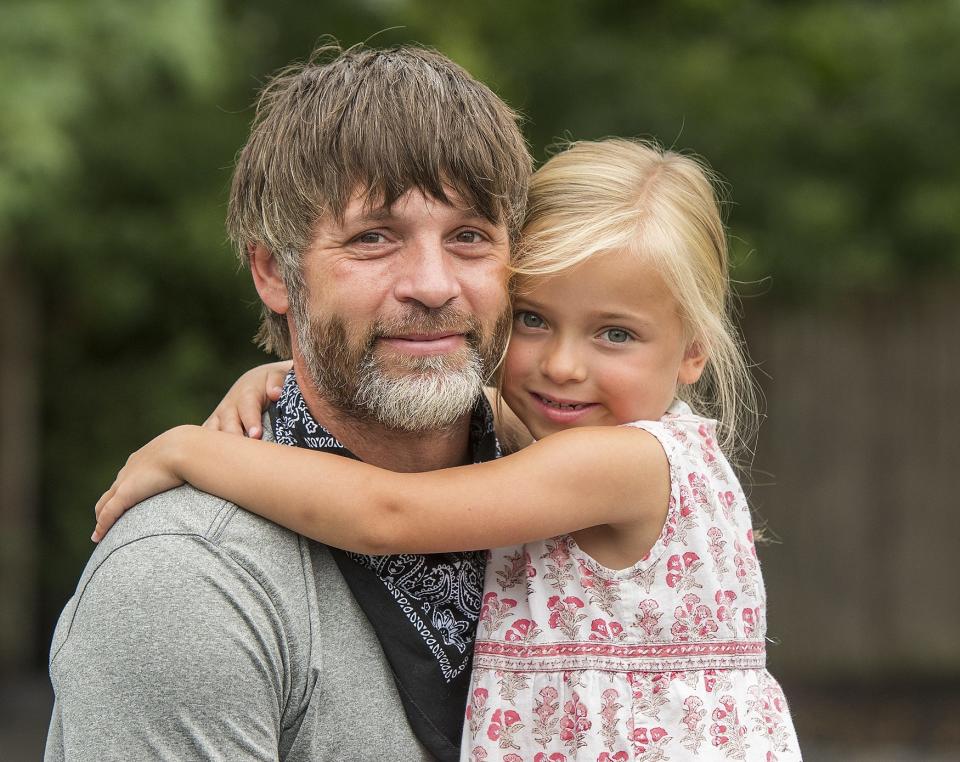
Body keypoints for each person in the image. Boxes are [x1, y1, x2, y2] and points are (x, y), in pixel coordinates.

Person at [94, 139, 803, 760]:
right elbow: (451, 395)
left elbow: (389, 515)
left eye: (614, 333)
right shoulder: (579, 437)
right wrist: (279, 376)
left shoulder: (621, 462)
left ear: (694, 353)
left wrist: (194, 451)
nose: (561, 365)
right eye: (532, 319)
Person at [45, 43, 532, 762]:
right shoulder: (188, 580)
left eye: (469, 236)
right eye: (374, 238)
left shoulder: (582, 497)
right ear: (275, 272)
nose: (433, 284)